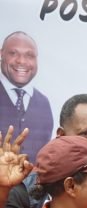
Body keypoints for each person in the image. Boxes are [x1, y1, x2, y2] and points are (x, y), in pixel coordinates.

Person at [0, 31, 52, 164]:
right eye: (13, 53)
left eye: (29, 55)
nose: (21, 61)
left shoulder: (43, 104)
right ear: (1, 54)